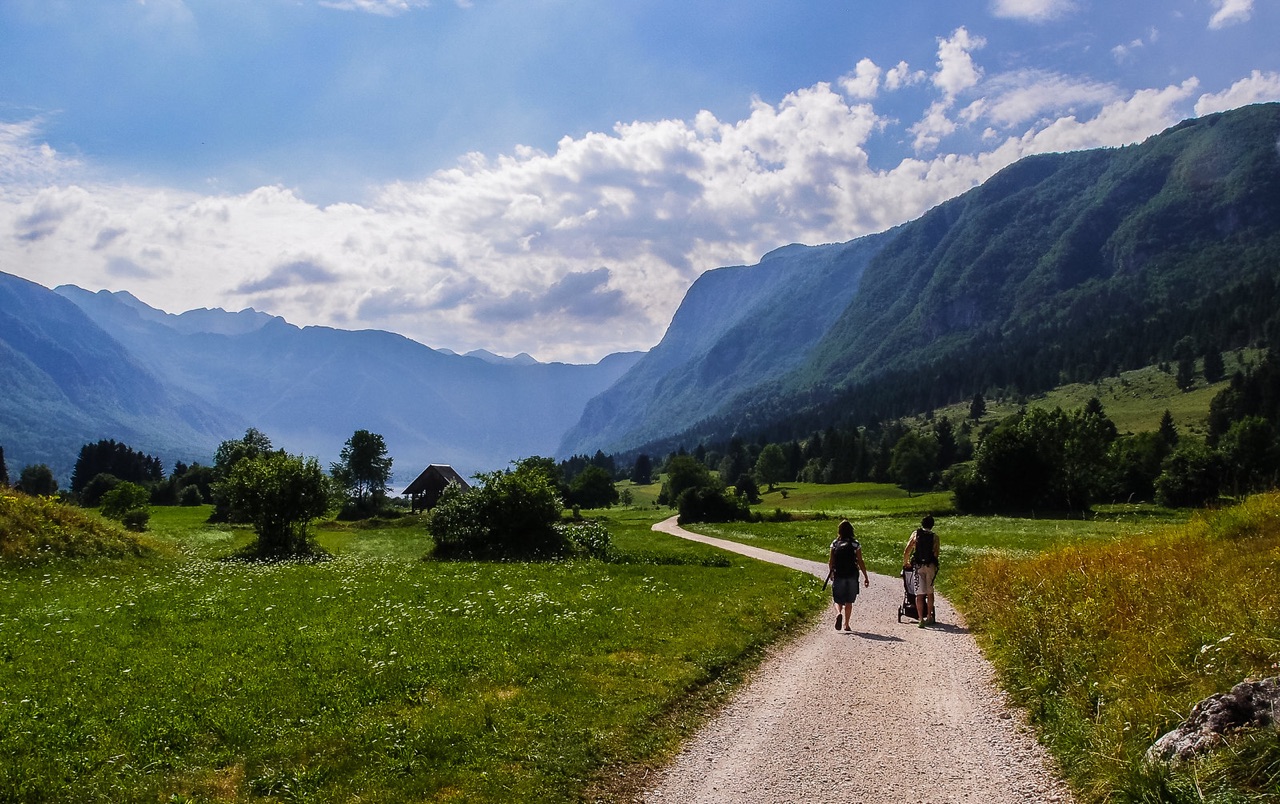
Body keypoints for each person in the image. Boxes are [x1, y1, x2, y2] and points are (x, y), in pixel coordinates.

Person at [828, 518, 870, 632]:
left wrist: (831, 573)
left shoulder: (835, 544)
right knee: (849, 601)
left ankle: (838, 614)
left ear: (839, 531)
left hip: (839, 574)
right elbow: (860, 561)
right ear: (851, 530)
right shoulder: (855, 544)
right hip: (852, 574)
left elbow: (831, 561)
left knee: (838, 599)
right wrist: (866, 577)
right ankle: (846, 624)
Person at [902, 515, 939, 627]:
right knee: (930, 592)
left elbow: (907, 549)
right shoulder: (935, 537)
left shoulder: (915, 534)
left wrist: (906, 562)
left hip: (918, 566)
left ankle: (920, 619)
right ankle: (929, 616)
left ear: (922, 523)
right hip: (930, 565)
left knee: (919, 593)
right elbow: (936, 553)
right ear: (932, 525)